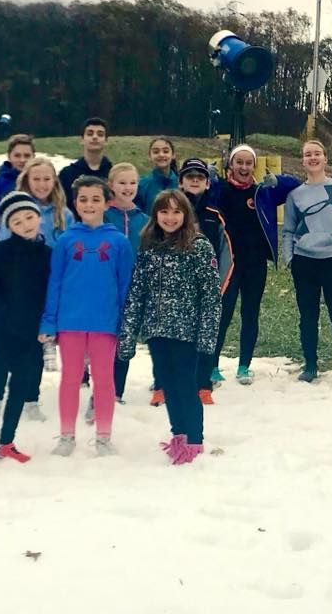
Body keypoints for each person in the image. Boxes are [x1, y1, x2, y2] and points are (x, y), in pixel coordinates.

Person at [118, 190, 221, 465]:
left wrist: (207, 336)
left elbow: (211, 295)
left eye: (176, 212)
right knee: (168, 385)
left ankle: (195, 441)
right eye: (164, 212)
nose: (170, 217)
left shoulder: (198, 246)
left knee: (186, 385)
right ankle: (178, 435)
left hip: (187, 331)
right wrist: (128, 334)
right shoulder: (149, 246)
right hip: (156, 329)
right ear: (155, 215)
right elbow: (137, 291)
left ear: (185, 215)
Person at [39, 176, 134, 456]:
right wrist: (49, 321)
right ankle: (66, 436)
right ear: (75, 203)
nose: (89, 204)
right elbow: (54, 282)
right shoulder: (66, 240)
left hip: (105, 324)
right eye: (83, 199)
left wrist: (124, 323)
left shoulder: (119, 242)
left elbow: (125, 285)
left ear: (108, 203)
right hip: (70, 323)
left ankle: (104, 436)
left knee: (104, 379)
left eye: (96, 199)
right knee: (70, 378)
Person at [0, 192, 52, 465]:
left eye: (29, 217)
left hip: (32, 334)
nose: (25, 224)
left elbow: (52, 292)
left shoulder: (48, 254)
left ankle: (6, 442)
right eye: (17, 221)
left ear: (38, 217)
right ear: (9, 226)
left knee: (20, 387)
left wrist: (48, 324)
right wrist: (1, 313)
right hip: (2, 332)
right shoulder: (1, 252)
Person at [211, 144, 301, 385]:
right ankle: (212, 365)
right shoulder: (220, 190)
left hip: (255, 263)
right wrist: (209, 176)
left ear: (254, 166)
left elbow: (296, 184)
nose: (243, 167)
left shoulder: (263, 192)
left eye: (248, 162)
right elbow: (194, 189)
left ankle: (243, 366)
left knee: (250, 313)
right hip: (228, 264)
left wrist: (277, 180)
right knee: (223, 313)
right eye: (238, 162)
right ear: (230, 165)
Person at [0, 156, 75, 421]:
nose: (41, 184)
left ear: (54, 182)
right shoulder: (16, 208)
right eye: (36, 179)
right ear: (27, 180)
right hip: (18, 287)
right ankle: (0, 393)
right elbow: (2, 248)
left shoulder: (63, 214)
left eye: (46, 179)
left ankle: (31, 398)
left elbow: (70, 251)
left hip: (47, 288)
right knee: (11, 344)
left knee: (36, 344)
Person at [283, 139, 332, 384]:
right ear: (303, 161)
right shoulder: (295, 195)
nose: (312, 158)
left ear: (326, 158)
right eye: (307, 155)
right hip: (304, 262)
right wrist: (289, 258)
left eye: (317, 153)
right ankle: (311, 365)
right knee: (308, 316)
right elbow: (288, 229)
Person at [79, 163, 147, 423]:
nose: (127, 188)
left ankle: (116, 393)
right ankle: (97, 397)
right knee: (104, 344)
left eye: (132, 183)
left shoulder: (144, 220)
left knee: (124, 343)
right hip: (103, 291)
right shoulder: (103, 216)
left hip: (132, 291)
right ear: (111, 185)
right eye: (122, 183)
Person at [177, 157, 234, 404]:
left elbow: (226, 254)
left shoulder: (214, 216)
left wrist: (217, 288)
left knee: (205, 337)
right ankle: (169, 383)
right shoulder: (170, 212)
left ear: (208, 183)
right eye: (190, 176)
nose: (195, 180)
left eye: (200, 177)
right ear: (181, 182)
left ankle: (203, 385)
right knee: (176, 337)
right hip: (176, 289)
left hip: (207, 290)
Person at [0, 133, 35, 255]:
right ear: (9, 157)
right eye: (17, 155)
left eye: (27, 155)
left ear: (33, 156)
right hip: (5, 250)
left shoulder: (39, 183)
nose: (22, 160)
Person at [59, 117, 112, 216]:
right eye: (90, 133)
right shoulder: (67, 174)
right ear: (82, 139)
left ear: (106, 140)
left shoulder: (113, 173)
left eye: (100, 134)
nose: (95, 137)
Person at [135, 137, 178, 214]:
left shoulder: (181, 184)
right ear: (149, 156)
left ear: (173, 155)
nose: (161, 155)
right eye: (156, 152)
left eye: (165, 151)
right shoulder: (141, 185)